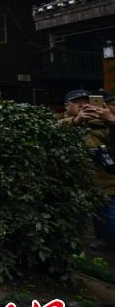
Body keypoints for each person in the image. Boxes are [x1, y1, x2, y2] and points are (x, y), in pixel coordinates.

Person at [58, 89, 115, 249]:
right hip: (74, 187)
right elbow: (49, 132)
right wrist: (75, 121)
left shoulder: (105, 125)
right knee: (74, 226)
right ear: (66, 106)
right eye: (77, 102)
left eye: (87, 102)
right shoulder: (62, 123)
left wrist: (111, 119)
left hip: (105, 185)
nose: (83, 105)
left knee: (110, 226)